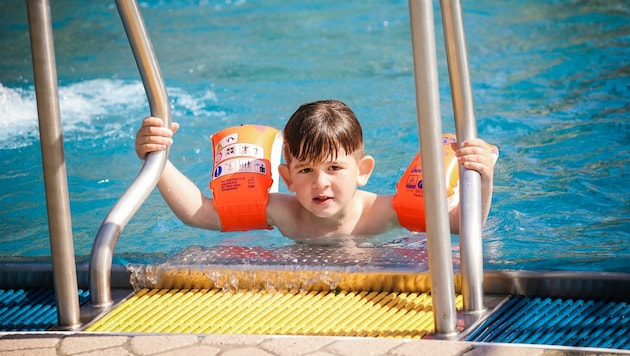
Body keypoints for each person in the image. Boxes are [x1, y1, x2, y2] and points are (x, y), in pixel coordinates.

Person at [135, 99, 497, 242]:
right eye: (305, 170)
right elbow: (200, 213)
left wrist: (484, 179)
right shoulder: (284, 212)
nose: (320, 182)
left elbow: (462, 225)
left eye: (335, 168)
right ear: (287, 176)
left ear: (363, 171)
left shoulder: (385, 213)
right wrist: (157, 160)